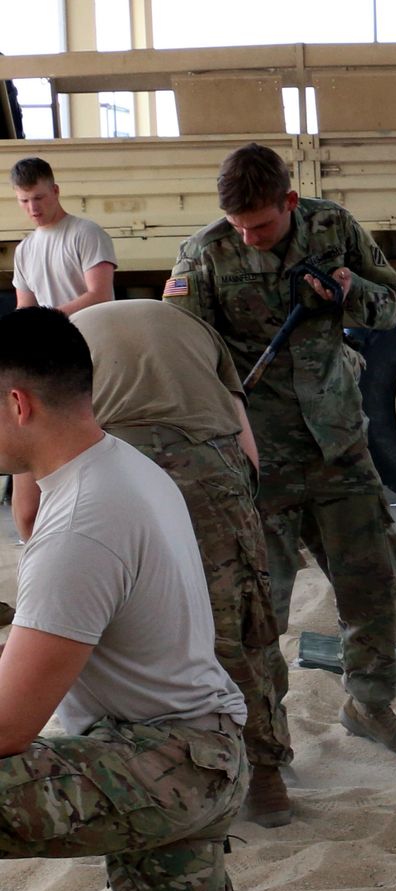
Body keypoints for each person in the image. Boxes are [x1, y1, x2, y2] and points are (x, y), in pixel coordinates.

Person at [0, 308, 396, 891]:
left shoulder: (79, 526)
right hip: (199, 752)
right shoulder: (122, 470)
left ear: (16, 404)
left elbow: (10, 725)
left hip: (163, 764)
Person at [165, 143, 396, 787]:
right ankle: (266, 757)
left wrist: (344, 291)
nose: (248, 237)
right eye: (238, 226)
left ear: (289, 201)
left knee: (372, 581)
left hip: (338, 443)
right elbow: (182, 350)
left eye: (261, 224)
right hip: (255, 462)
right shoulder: (204, 255)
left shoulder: (333, 227)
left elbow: (392, 304)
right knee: (257, 616)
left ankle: (370, 704)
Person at [72, 299, 293, 825]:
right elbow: (247, 448)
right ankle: (266, 779)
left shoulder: (68, 340)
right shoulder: (197, 331)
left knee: (127, 627)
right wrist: (239, 516)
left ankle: (155, 768)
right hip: (207, 460)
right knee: (241, 625)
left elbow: (45, 467)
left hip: (113, 459)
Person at [9, 158, 114, 316]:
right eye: (24, 200)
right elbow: (25, 308)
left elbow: (100, 296)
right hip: (55, 337)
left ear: (55, 191)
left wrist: (48, 320)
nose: (33, 208)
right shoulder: (23, 251)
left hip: (93, 337)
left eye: (39, 198)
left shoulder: (87, 233)